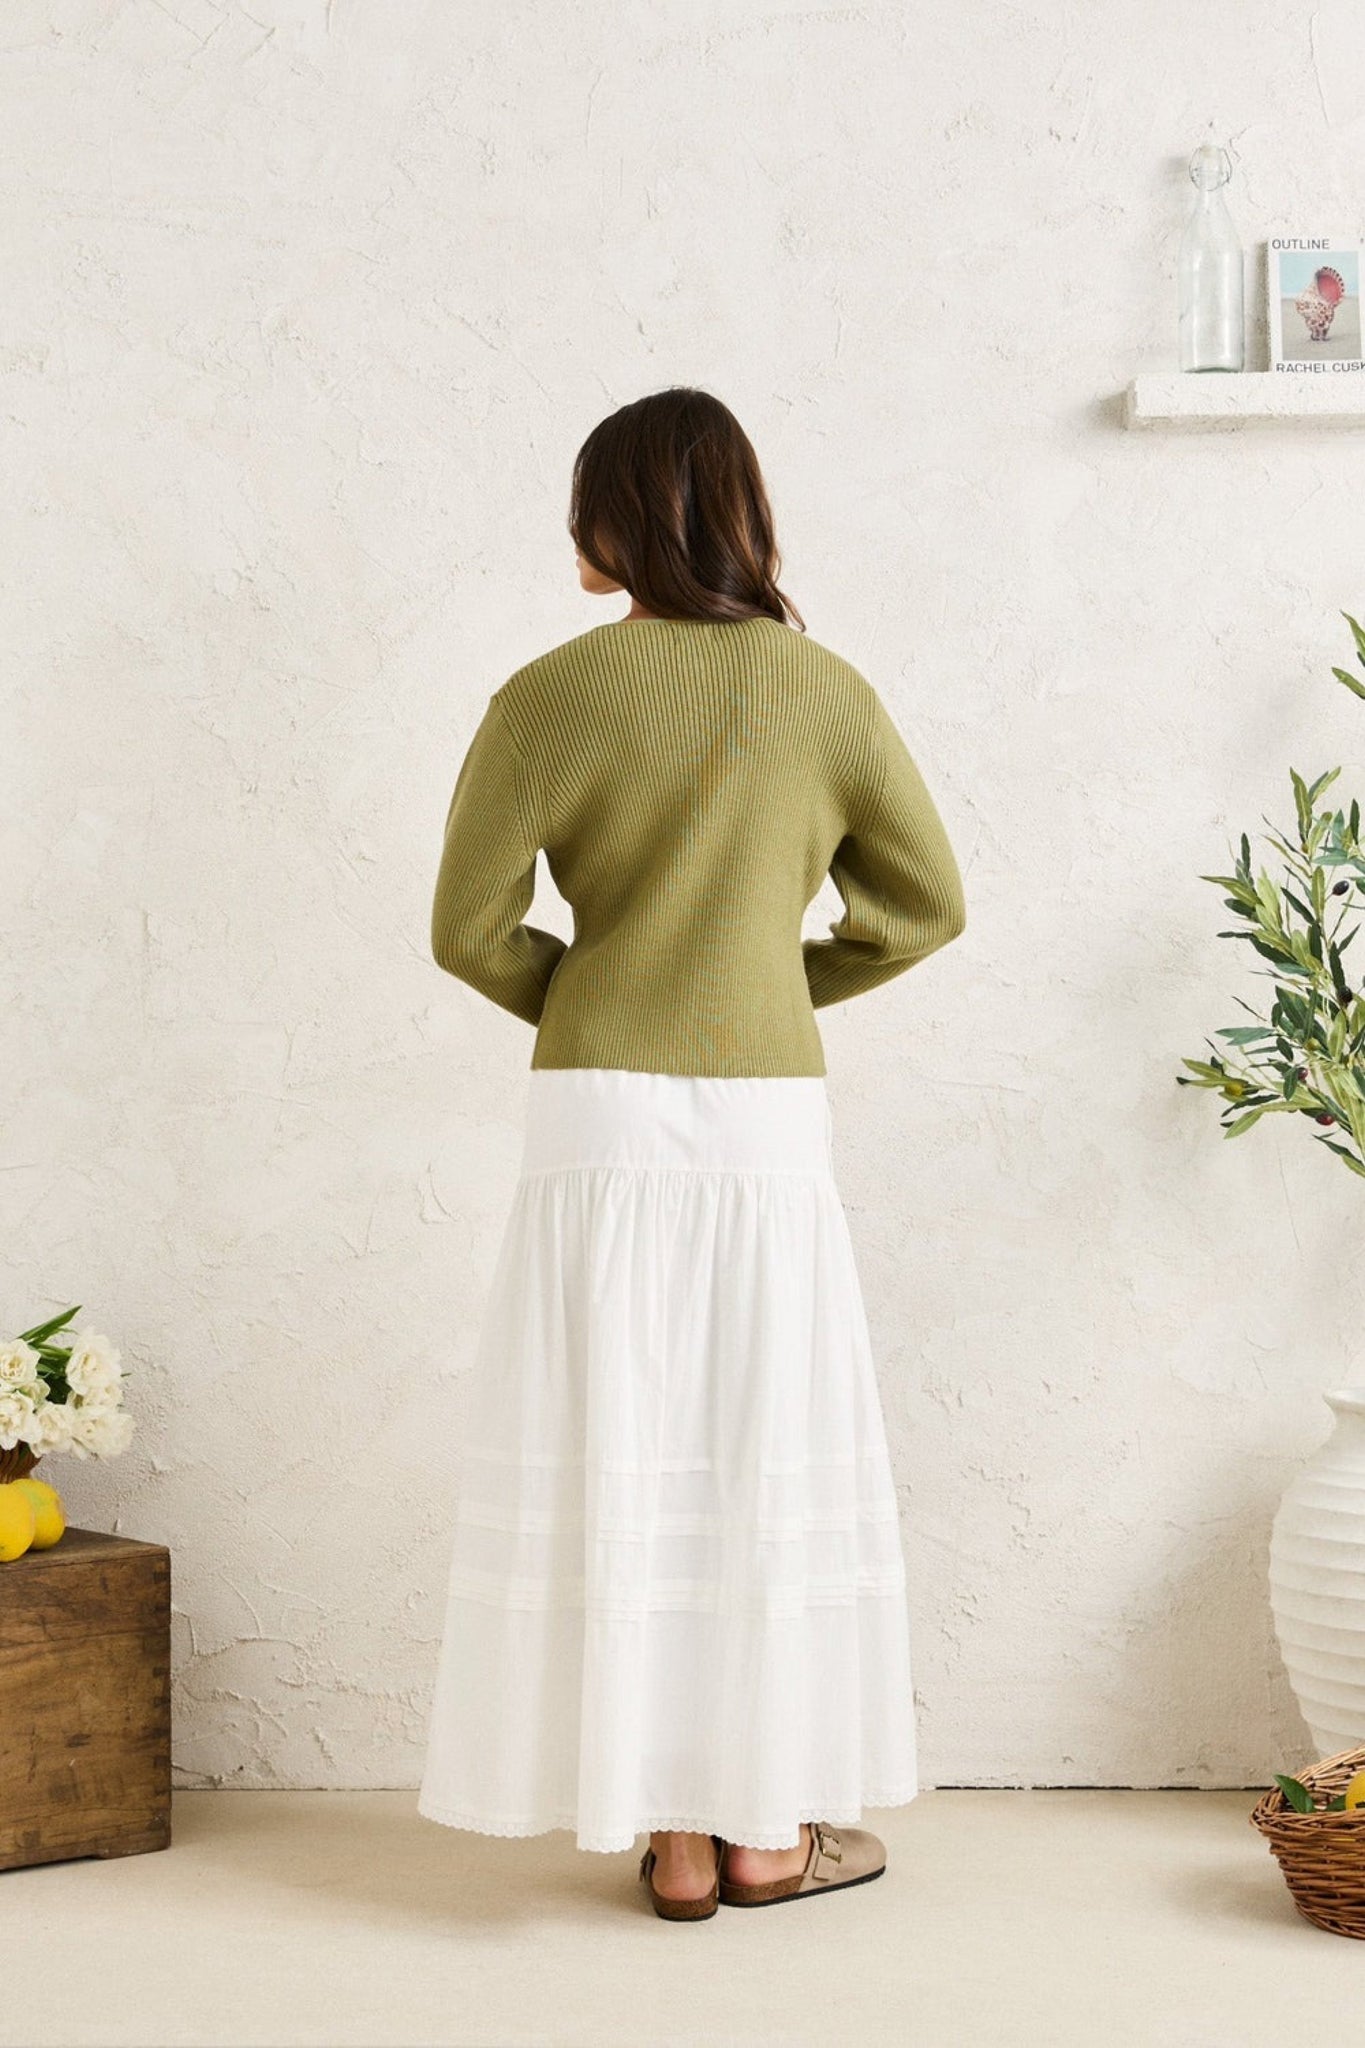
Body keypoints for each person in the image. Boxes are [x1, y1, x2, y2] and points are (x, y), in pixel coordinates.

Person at [415, 386, 967, 1920]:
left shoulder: (542, 697)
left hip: (594, 1109)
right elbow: (922, 910)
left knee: (625, 1440)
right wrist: (768, 989)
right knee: (758, 1446)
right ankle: (767, 1834)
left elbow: (465, 930)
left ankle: (669, 1839)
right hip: (760, 1113)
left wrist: (597, 994)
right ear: (740, 513)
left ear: (608, 523)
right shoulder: (824, 692)